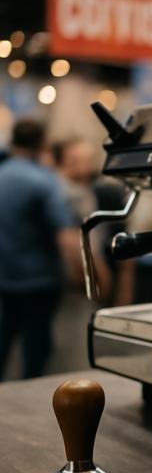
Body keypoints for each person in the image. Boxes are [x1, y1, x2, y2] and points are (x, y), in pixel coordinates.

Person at [0, 119, 80, 379]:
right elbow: (66, 235)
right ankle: (30, 391)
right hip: (40, 279)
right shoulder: (44, 180)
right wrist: (81, 273)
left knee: (5, 334)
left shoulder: (2, 174)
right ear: (41, 143)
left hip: (5, 276)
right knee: (36, 345)